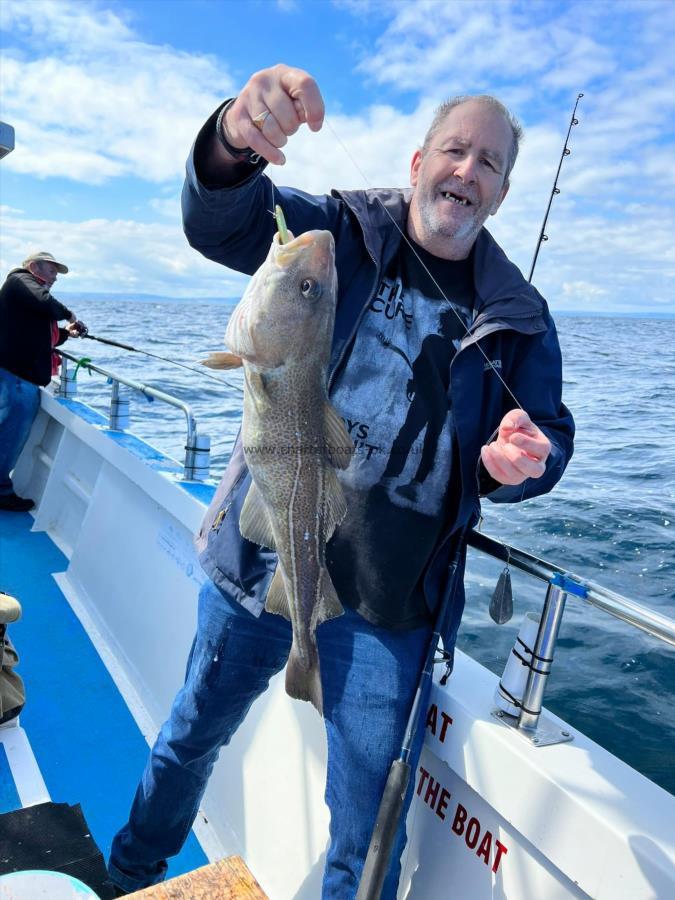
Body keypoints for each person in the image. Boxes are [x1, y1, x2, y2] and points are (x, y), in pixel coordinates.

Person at [109, 65, 574, 898]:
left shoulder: (521, 320)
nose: (467, 171)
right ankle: (129, 872)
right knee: (188, 736)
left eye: (490, 164)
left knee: (364, 837)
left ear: (502, 195)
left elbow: (547, 437)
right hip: (257, 572)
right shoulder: (341, 234)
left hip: (389, 608)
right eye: (454, 150)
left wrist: (523, 463)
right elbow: (224, 223)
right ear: (417, 159)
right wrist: (230, 142)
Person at [0, 251, 87, 512]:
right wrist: (71, 315)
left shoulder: (29, 298)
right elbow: (46, 303)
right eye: (51, 271)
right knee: (11, 432)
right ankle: (1, 491)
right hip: (15, 378)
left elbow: (40, 336)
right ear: (33, 267)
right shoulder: (20, 279)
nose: (54, 279)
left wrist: (66, 334)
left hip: (18, 377)